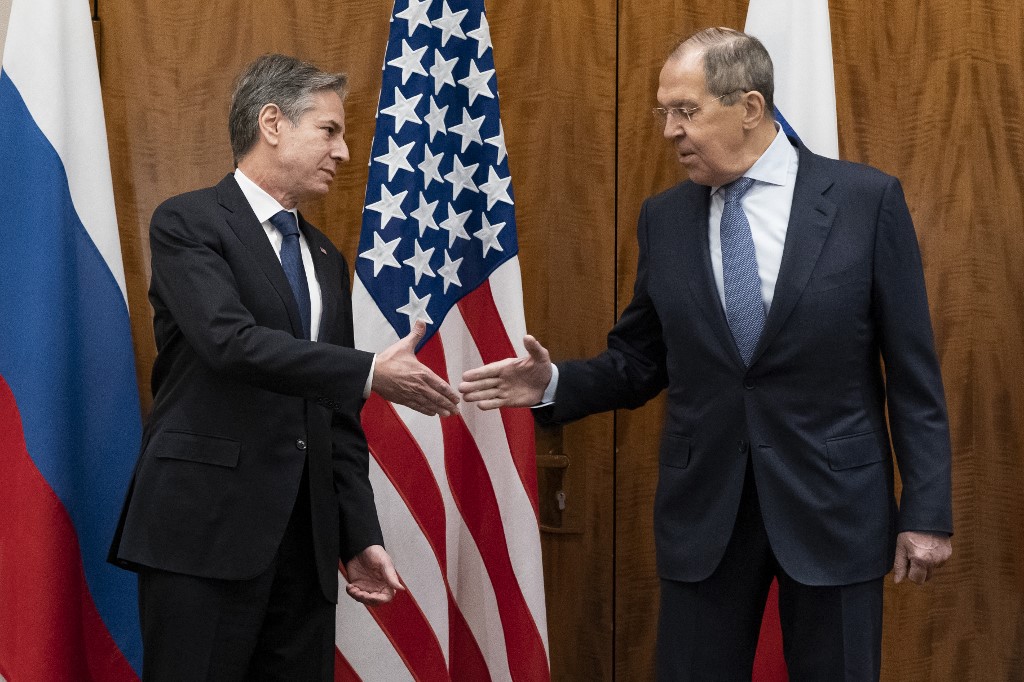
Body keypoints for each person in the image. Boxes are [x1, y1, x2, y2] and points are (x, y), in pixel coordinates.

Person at [460, 28, 953, 681]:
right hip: (706, 515)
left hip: (835, 508)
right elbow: (639, 361)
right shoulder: (665, 218)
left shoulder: (865, 202)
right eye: (663, 111)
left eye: (685, 111)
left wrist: (926, 511)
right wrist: (553, 384)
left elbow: (913, 376)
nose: (669, 131)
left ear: (750, 107)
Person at [108, 54, 460, 681]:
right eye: (329, 130)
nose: (345, 151)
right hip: (205, 534)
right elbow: (230, 343)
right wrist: (371, 370)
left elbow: (337, 414)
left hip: (306, 546)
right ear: (272, 122)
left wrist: (359, 534)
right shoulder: (188, 223)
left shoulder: (325, 257)